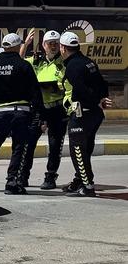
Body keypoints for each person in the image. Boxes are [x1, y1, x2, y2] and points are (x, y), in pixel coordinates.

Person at [0, 33, 44, 195]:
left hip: (0, 113)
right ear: (18, 47)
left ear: (4, 47)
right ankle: (12, 182)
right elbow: (36, 92)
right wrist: (37, 113)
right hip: (21, 113)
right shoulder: (24, 65)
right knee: (19, 147)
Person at [58, 32, 112, 197]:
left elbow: (81, 89)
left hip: (82, 114)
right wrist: (101, 99)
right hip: (94, 114)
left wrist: (94, 100)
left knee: (78, 151)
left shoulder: (73, 66)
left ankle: (87, 187)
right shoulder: (88, 62)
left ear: (63, 48)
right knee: (86, 148)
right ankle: (80, 181)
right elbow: (102, 84)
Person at [18, 30, 67, 189]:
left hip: (58, 109)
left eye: (55, 44)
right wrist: (25, 45)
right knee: (29, 142)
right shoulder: (37, 61)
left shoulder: (65, 62)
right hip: (39, 109)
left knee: (55, 145)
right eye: (49, 43)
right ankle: (23, 176)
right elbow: (19, 62)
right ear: (44, 45)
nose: (52, 46)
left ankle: (50, 177)